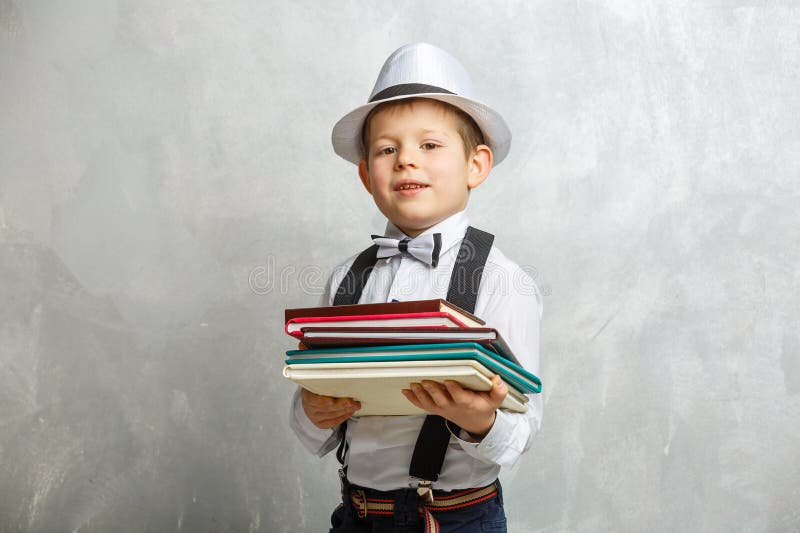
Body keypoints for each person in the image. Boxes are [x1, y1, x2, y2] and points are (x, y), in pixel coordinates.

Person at [289, 42, 543, 532]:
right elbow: (313, 424)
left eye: (429, 145)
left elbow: (522, 432)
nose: (406, 160)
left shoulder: (502, 280)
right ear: (367, 175)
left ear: (476, 165)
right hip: (357, 515)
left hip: (454, 519)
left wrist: (480, 420)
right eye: (388, 149)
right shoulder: (345, 279)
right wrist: (312, 409)